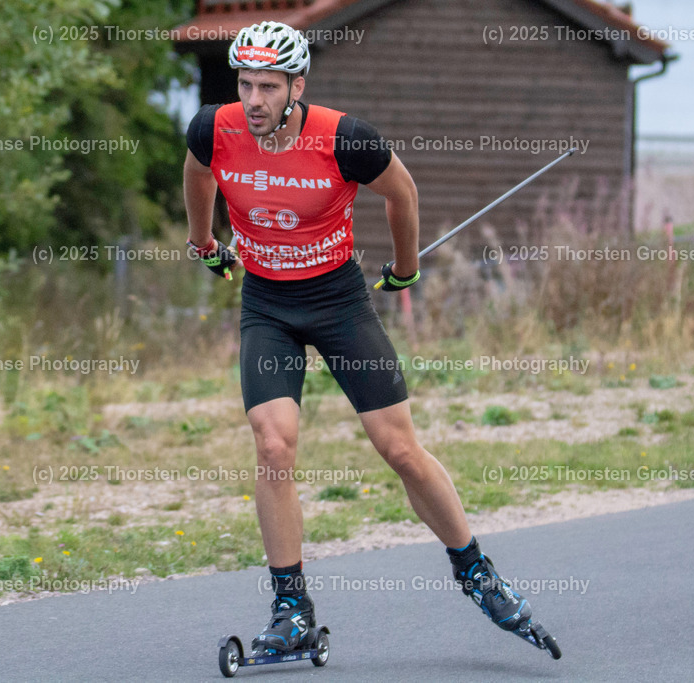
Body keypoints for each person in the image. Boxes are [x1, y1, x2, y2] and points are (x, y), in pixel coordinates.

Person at [183, 21, 537, 653]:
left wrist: (404, 269)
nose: (254, 100)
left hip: (338, 301)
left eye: (267, 86)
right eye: (245, 85)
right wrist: (203, 242)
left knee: (397, 447)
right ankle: (290, 607)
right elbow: (198, 172)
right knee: (273, 445)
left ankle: (475, 571)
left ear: (297, 86)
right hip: (267, 303)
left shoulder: (346, 139)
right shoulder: (216, 127)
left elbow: (402, 193)